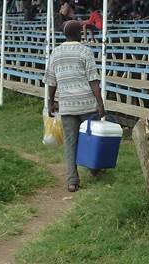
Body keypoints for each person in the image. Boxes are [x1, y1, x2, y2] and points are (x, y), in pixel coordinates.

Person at [45, 19, 106, 193]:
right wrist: (100, 103)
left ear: (65, 34)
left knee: (70, 143)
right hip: (86, 103)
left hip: (67, 104)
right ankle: (94, 170)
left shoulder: (55, 53)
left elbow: (51, 81)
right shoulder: (85, 51)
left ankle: (72, 181)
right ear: (79, 33)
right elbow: (93, 79)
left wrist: (51, 102)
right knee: (91, 139)